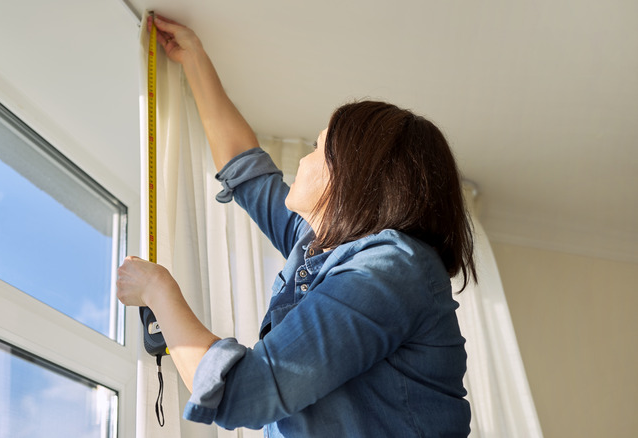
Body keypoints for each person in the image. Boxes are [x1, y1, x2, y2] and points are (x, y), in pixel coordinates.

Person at [116, 14, 476, 437]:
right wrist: (193, 58)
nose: (303, 161)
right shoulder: (317, 246)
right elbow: (246, 170)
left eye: (316, 149)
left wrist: (159, 290)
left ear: (352, 176)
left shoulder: (388, 268)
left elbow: (240, 392)